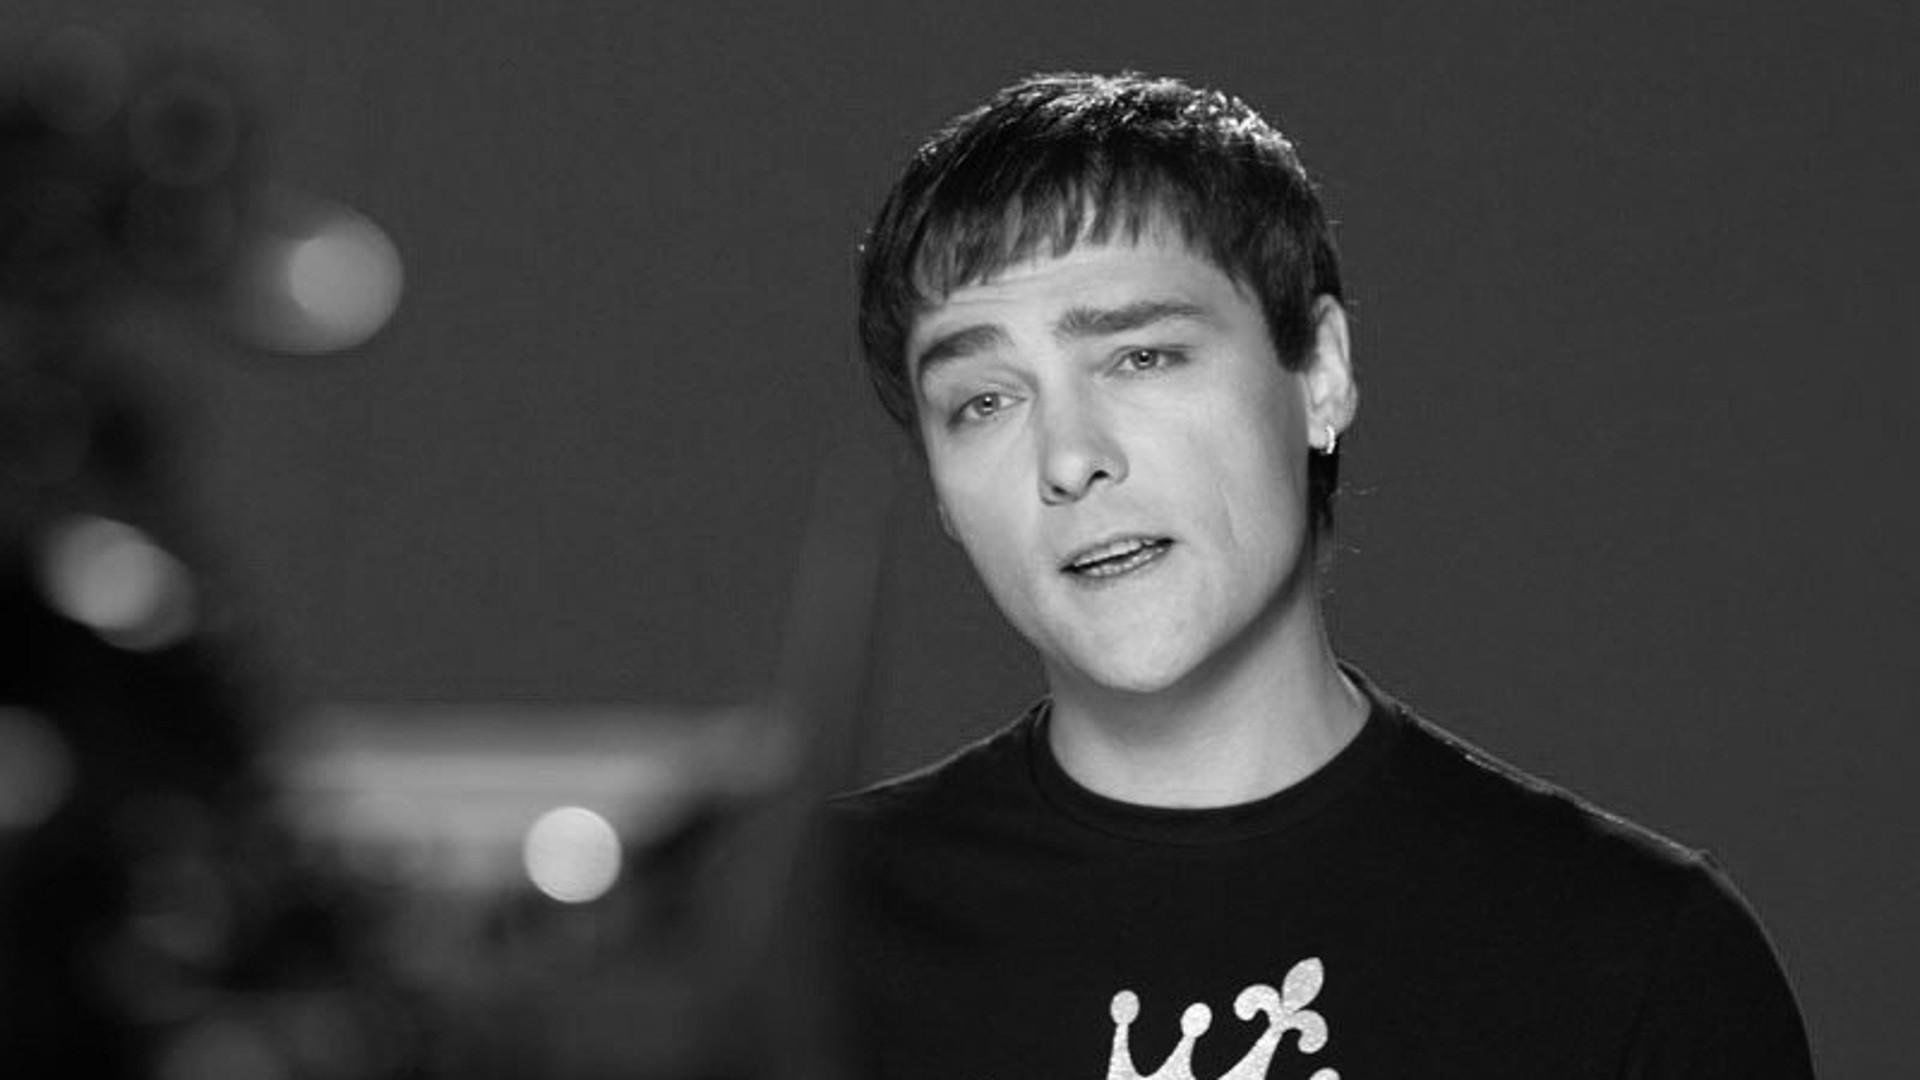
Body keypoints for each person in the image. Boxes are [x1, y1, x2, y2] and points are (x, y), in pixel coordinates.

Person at [825, 71, 1814, 1078]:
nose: (1070, 458)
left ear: (1321, 373)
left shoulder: (1636, 955)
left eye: (1143, 357)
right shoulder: (793, 943)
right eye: (984, 402)